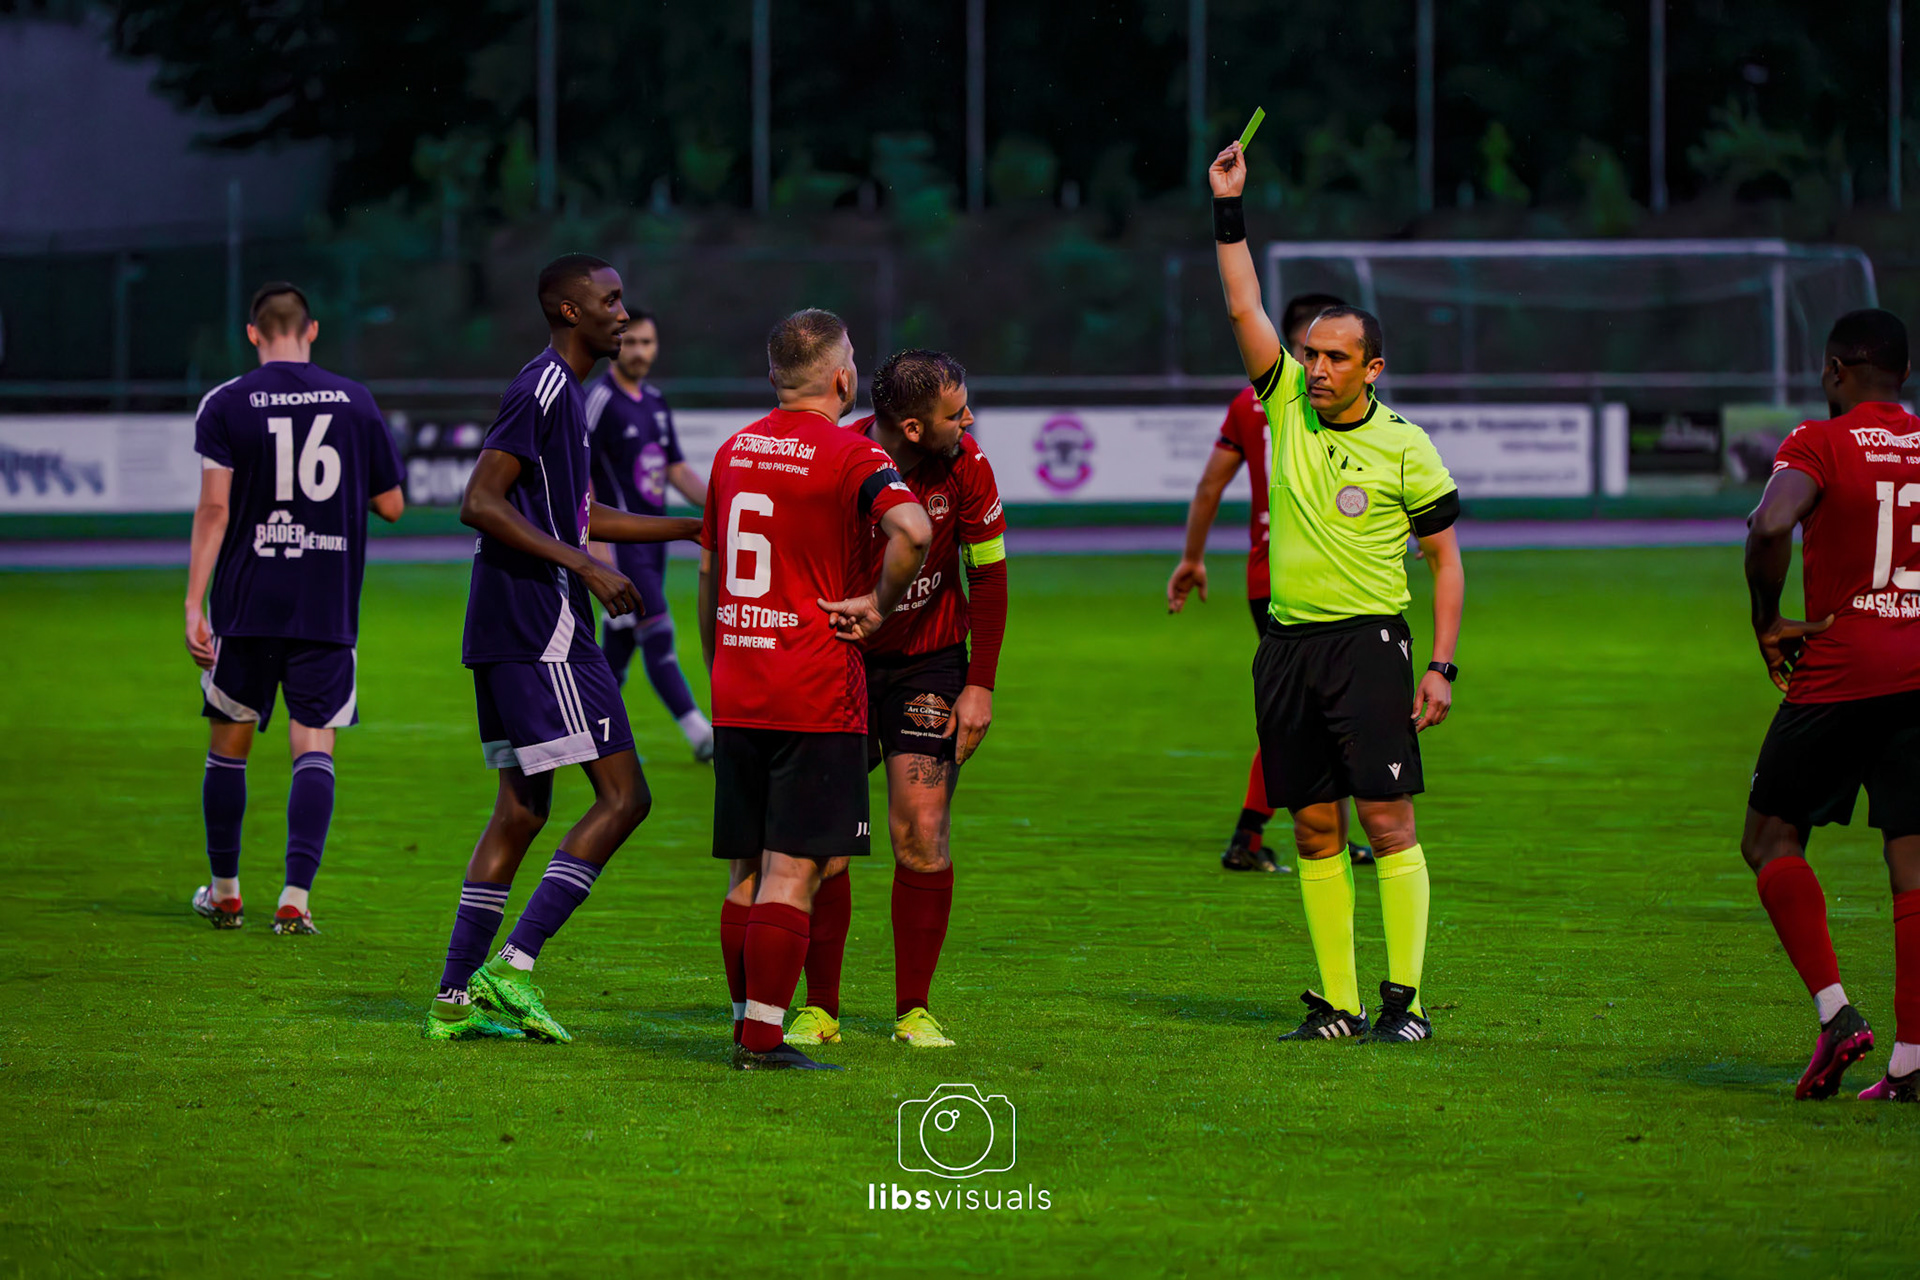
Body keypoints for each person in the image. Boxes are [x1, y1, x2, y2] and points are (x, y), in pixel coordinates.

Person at [1209, 138, 1465, 1044]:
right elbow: (1242, 299)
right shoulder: (1278, 402)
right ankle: (1340, 1005)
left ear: (1372, 368)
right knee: (1315, 828)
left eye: (1333, 358)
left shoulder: (1406, 444)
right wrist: (1229, 208)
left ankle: (1408, 1002)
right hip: (1284, 649)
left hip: (1368, 645)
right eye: (1309, 354)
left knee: (1387, 822)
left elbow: (1446, 563)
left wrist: (1441, 665)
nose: (1314, 369)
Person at [425, 254, 702, 1044]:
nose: (624, 312)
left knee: (520, 810)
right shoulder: (544, 386)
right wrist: (583, 567)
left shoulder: (567, 398)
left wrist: (684, 525)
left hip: (508, 627)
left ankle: (453, 1001)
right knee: (625, 798)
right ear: (568, 311)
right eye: (610, 301)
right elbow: (478, 501)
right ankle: (511, 969)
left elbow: (580, 515)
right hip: (539, 627)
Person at [701, 309, 932, 1071]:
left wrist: (722, 664)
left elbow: (709, 577)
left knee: (746, 870)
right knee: (792, 870)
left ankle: (744, 1023)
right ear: (840, 377)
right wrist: (880, 604)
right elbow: (915, 532)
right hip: (813, 685)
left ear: (775, 377)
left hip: (740, 681)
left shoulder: (732, 451)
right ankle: (765, 1040)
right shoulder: (847, 453)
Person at [784, 349, 1009, 1051]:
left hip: (930, 665)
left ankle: (915, 1009)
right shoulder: (839, 462)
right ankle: (820, 1010)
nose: (969, 420)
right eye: (954, 412)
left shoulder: (966, 464)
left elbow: (991, 577)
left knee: (922, 828)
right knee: (827, 844)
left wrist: (980, 684)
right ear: (912, 427)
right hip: (838, 661)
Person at [185, 281, 405, 935]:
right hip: (325, 602)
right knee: (314, 745)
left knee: (230, 742)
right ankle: (295, 899)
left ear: (254, 333)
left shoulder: (225, 403)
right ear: (311, 332)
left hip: (248, 601)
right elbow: (392, 505)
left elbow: (215, 509)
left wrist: (194, 604)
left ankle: (225, 890)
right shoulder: (355, 401)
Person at [1740, 308, 1920, 1103]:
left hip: (1845, 668)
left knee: (1771, 837)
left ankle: (1837, 1013)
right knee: (1912, 864)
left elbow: (1771, 521)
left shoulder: (1821, 438)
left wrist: (1766, 620)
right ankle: (1911, 1066)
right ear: (1904, 378)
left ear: (1836, 371)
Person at [1167, 292, 1374, 873]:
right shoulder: (1331, 407)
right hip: (1318, 576)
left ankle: (1326, 829)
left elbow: (1209, 486)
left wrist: (1192, 557)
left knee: (1313, 710)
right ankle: (1249, 837)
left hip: (1264, 575)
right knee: (1311, 713)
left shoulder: (1246, 404)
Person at [584, 311, 715, 761]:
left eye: (648, 342)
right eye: (632, 342)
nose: (641, 351)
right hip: (621, 545)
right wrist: (597, 551)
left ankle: (587, 727)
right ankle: (700, 733)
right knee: (657, 632)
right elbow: (582, 477)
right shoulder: (599, 400)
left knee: (618, 649)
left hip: (653, 544)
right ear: (617, 344)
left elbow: (675, 468)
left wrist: (721, 503)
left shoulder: (655, 402)